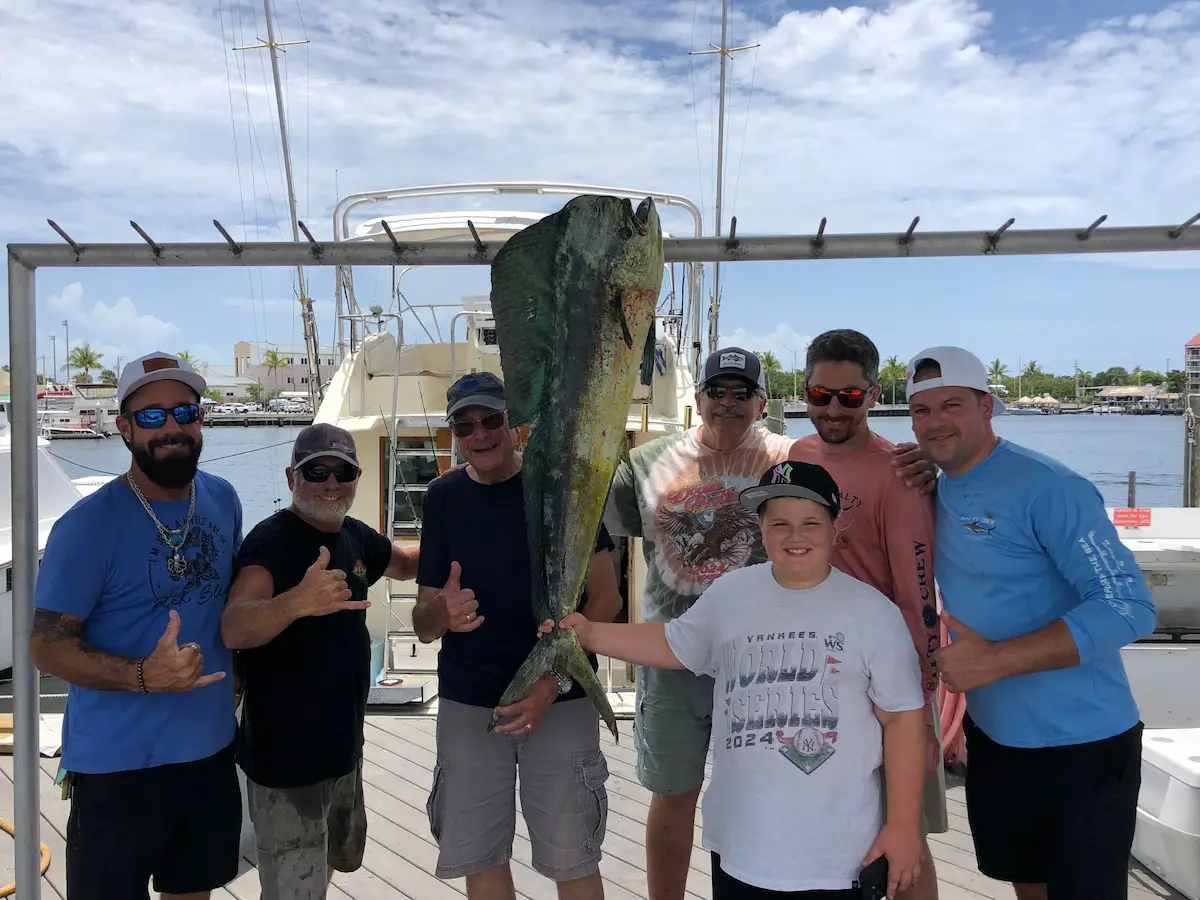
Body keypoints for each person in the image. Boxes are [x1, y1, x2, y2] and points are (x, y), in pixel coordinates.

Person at [603, 346, 936, 900]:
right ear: (697, 396)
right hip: (677, 656)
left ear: (762, 402)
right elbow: (597, 536)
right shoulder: (643, 463)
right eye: (718, 391)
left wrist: (927, 465)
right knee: (674, 792)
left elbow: (859, 464)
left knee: (838, 795)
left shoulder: (796, 453)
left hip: (782, 655)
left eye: (743, 393)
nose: (729, 402)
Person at [556, 461, 928, 900]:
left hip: (838, 854)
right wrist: (591, 633)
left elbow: (903, 721)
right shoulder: (731, 594)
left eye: (811, 522)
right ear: (759, 528)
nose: (795, 536)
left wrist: (903, 827)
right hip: (741, 843)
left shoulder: (873, 613)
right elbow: (674, 644)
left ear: (835, 526)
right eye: (779, 523)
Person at [906, 346, 1157, 900]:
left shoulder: (1049, 486)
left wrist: (994, 660)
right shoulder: (935, 483)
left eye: (952, 404)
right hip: (996, 740)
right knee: (1029, 888)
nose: (935, 422)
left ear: (987, 406)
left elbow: (1128, 605)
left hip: (1083, 743)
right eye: (921, 411)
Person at [30, 352, 243, 900]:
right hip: (117, 767)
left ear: (201, 419)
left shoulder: (223, 499)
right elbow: (47, 648)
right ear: (123, 428)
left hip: (211, 753)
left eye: (185, 411)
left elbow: (229, 607)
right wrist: (144, 675)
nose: (172, 427)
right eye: (151, 417)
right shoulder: (86, 527)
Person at [412, 371, 623, 900]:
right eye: (466, 425)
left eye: (491, 420)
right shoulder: (442, 498)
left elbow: (607, 600)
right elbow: (422, 621)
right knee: (480, 858)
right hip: (470, 705)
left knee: (573, 858)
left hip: (563, 699)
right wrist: (442, 609)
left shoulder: (561, 489)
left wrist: (549, 682)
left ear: (513, 424)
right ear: (455, 432)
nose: (480, 433)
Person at [220, 423, 420, 900]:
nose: (331, 483)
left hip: (344, 751)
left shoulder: (354, 537)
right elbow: (234, 626)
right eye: (317, 471)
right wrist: (297, 602)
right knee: (291, 890)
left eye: (343, 472)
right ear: (293, 477)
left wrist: (463, 537)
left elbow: (407, 562)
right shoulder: (270, 542)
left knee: (335, 860)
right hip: (286, 767)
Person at [787, 330, 946, 900]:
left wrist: (922, 714)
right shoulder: (797, 456)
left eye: (849, 398)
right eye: (821, 395)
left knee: (905, 838)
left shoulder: (899, 474)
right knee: (828, 830)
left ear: (873, 396)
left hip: (887, 690)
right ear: (804, 391)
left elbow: (919, 598)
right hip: (815, 681)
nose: (833, 409)